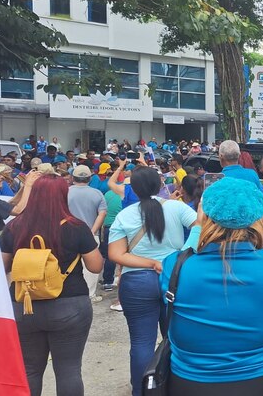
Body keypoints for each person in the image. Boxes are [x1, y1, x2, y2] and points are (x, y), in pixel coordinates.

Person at [160, 178, 263, 395]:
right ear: (258, 218)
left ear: (206, 217)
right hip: (261, 375)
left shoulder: (175, 266)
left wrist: (197, 228)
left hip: (191, 378)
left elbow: (182, 263)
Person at [0, 174, 103, 395]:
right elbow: (95, 267)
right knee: (69, 369)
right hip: (70, 305)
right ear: (63, 196)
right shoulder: (76, 227)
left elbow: (1, 267)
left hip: (23, 304)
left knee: (30, 370)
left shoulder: (14, 227)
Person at [108, 166, 198, 396]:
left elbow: (116, 255)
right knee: (175, 339)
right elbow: (201, 227)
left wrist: (149, 263)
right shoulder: (177, 207)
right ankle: (173, 387)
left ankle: (142, 391)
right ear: (160, 185)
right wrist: (183, 254)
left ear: (133, 189)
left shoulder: (124, 215)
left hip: (136, 283)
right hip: (175, 279)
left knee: (141, 342)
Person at [68, 165, 108, 303]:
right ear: (89, 178)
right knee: (90, 267)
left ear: (73, 177)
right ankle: (90, 294)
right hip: (90, 234)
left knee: (68, 264)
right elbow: (102, 214)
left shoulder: (65, 192)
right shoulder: (97, 193)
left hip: (68, 233)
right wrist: (91, 231)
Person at [0, 162, 38, 231]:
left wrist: (25, 185)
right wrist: (29, 185)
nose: (2, 177)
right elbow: (17, 211)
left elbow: (10, 205)